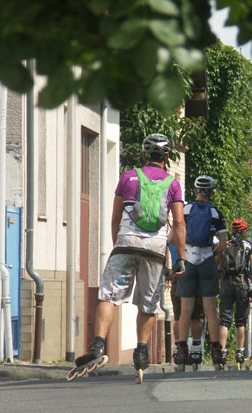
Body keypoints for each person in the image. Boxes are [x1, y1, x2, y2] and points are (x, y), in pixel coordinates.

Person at [71, 133, 185, 383]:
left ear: (144, 155)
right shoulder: (172, 184)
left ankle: (98, 345)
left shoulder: (128, 177)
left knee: (109, 295)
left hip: (125, 243)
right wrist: (180, 259)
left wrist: (118, 245)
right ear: (167, 158)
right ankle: (142, 354)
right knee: (147, 303)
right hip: (155, 248)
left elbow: (115, 218)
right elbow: (178, 223)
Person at [173, 175, 228, 369]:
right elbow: (222, 245)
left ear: (195, 191)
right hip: (206, 261)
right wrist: (211, 252)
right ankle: (216, 351)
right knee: (211, 310)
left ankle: (181, 349)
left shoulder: (186, 210)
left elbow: (174, 235)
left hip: (187, 259)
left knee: (185, 310)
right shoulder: (216, 213)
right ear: (212, 192)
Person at [217, 218, 252, 370]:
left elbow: (219, 266)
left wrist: (221, 285)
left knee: (224, 320)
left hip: (227, 284)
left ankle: (222, 351)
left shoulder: (226, 245)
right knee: (241, 320)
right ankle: (240, 352)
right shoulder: (248, 246)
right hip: (242, 284)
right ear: (244, 231)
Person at [166, 241, 205, 370]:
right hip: (196, 276)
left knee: (178, 316)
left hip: (177, 276)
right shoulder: (199, 231)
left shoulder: (172, 237)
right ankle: (196, 349)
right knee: (195, 317)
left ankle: (178, 349)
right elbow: (218, 245)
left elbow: (164, 248)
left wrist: (168, 270)